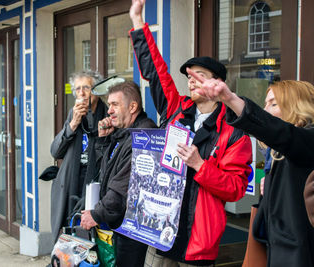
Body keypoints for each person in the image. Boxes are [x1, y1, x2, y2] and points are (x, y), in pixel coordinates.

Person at [129, 1, 253, 266]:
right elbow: (154, 70)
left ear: (218, 84)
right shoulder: (175, 109)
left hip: (199, 241)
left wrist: (200, 165)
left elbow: (235, 189)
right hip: (160, 231)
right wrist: (138, 21)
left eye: (200, 75)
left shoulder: (234, 133)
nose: (191, 80)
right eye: (189, 76)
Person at [188, 69, 314, 266]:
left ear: (296, 105)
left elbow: (283, 134)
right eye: (265, 104)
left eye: (274, 104)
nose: (266, 111)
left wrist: (230, 99)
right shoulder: (278, 155)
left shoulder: (307, 140)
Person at [80, 81, 157, 267]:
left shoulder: (143, 137)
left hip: (133, 232)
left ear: (132, 107)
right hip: (118, 226)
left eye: (115, 104)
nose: (109, 110)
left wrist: (96, 214)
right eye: (109, 104)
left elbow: (123, 187)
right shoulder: (123, 133)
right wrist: (104, 140)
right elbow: (103, 172)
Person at [50, 70, 108, 243]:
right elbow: (55, 151)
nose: (81, 94)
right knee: (66, 237)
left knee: (89, 239)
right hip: (69, 185)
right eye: (77, 89)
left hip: (93, 187)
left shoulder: (107, 115)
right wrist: (73, 124)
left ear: (96, 90)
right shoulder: (73, 114)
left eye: (86, 88)